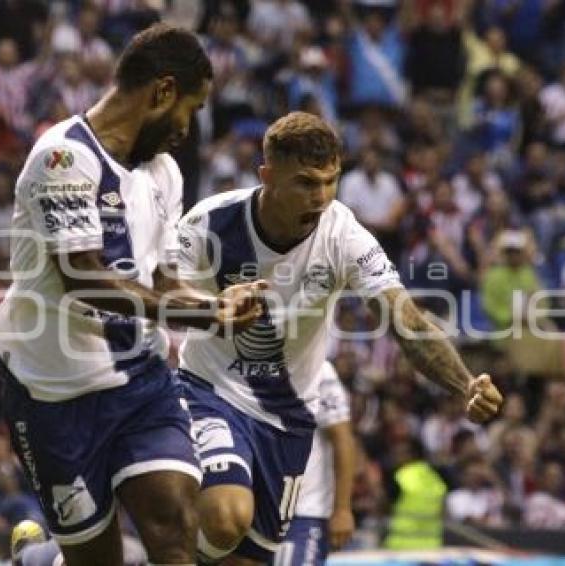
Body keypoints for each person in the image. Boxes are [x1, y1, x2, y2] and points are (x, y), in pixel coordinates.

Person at [0, 23, 263, 566]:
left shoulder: (163, 173)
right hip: (52, 394)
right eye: (191, 107)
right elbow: (86, 279)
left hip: (142, 384)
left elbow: (163, 282)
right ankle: (41, 559)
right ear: (162, 92)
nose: (188, 129)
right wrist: (207, 314)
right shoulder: (62, 159)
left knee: (174, 530)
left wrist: (218, 306)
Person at [174, 111, 502, 564]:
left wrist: (464, 383)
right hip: (211, 390)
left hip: (288, 416)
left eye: (331, 181)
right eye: (306, 183)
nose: (321, 197)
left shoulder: (344, 234)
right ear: (267, 175)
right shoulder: (209, 222)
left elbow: (407, 321)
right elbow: (164, 295)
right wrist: (213, 308)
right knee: (226, 516)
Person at [273, 361, 355, 566]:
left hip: (304, 512)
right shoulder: (244, 363)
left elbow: (342, 438)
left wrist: (342, 509)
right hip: (257, 511)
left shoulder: (319, 369)